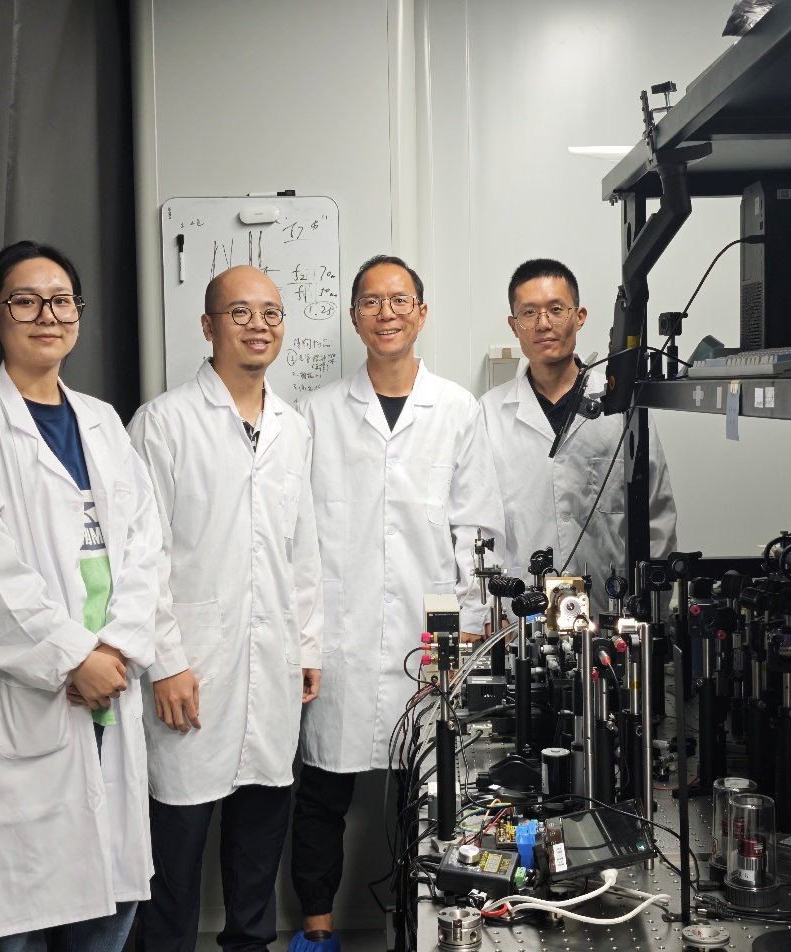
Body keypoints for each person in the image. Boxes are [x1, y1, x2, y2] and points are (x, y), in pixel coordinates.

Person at [0, 240, 161, 949]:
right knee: (19, 919)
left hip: (110, 687)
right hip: (29, 697)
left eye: (62, 301)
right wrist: (73, 658)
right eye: (25, 302)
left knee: (109, 910)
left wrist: (116, 648)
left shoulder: (103, 421)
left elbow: (146, 546)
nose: (47, 316)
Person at [289, 255, 506, 951]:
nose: (386, 313)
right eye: (371, 301)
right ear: (354, 317)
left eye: (400, 300)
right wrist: (305, 638)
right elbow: (298, 536)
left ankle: (416, 932)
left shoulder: (457, 409)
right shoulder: (317, 413)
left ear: (421, 313)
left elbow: (472, 534)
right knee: (321, 793)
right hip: (339, 637)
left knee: (430, 796)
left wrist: (458, 636)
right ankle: (317, 932)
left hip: (427, 637)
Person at [128, 266, 323, 952]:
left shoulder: (293, 429)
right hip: (192, 668)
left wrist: (306, 647)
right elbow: (142, 556)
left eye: (270, 312)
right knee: (174, 856)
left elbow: (302, 550)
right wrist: (166, 663)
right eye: (240, 313)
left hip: (271, 667)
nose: (258, 325)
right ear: (208, 327)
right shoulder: (163, 423)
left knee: (258, 851)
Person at [480, 258, 677, 596]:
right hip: (521, 609)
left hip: (611, 604)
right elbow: (481, 524)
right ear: (514, 325)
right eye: (529, 313)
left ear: (580, 316)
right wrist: (486, 609)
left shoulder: (621, 404)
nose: (543, 324)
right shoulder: (489, 413)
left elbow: (656, 512)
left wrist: (655, 605)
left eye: (556, 309)